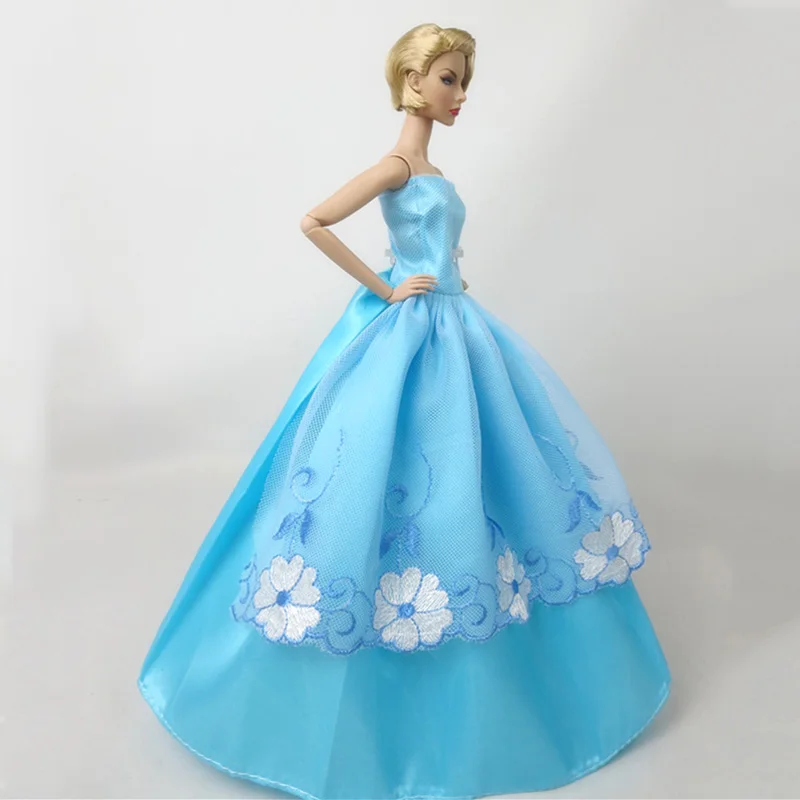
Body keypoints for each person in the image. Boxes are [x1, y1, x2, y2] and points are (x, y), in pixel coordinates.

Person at [138, 22, 671, 800]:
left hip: (456, 326)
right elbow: (315, 220)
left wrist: (434, 282)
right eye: (448, 78)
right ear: (413, 81)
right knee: (383, 474)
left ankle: (497, 660)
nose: (459, 95)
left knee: (481, 472)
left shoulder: (430, 169)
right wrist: (387, 286)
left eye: (464, 81)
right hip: (413, 329)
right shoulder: (396, 166)